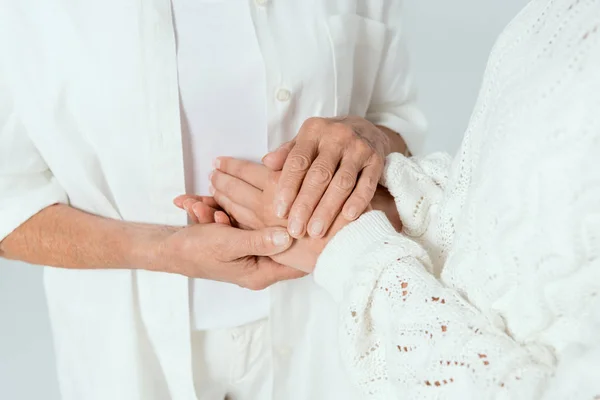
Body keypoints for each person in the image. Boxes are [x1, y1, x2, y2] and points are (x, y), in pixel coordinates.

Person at [0, 1, 426, 399]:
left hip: (332, 335)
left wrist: (369, 139)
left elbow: (398, 122)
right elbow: (8, 204)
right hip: (124, 356)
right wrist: (165, 250)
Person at [183, 0, 600, 398]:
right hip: (166, 341)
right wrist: (380, 197)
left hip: (344, 332)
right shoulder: (555, 12)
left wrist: (351, 246)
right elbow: (495, 211)